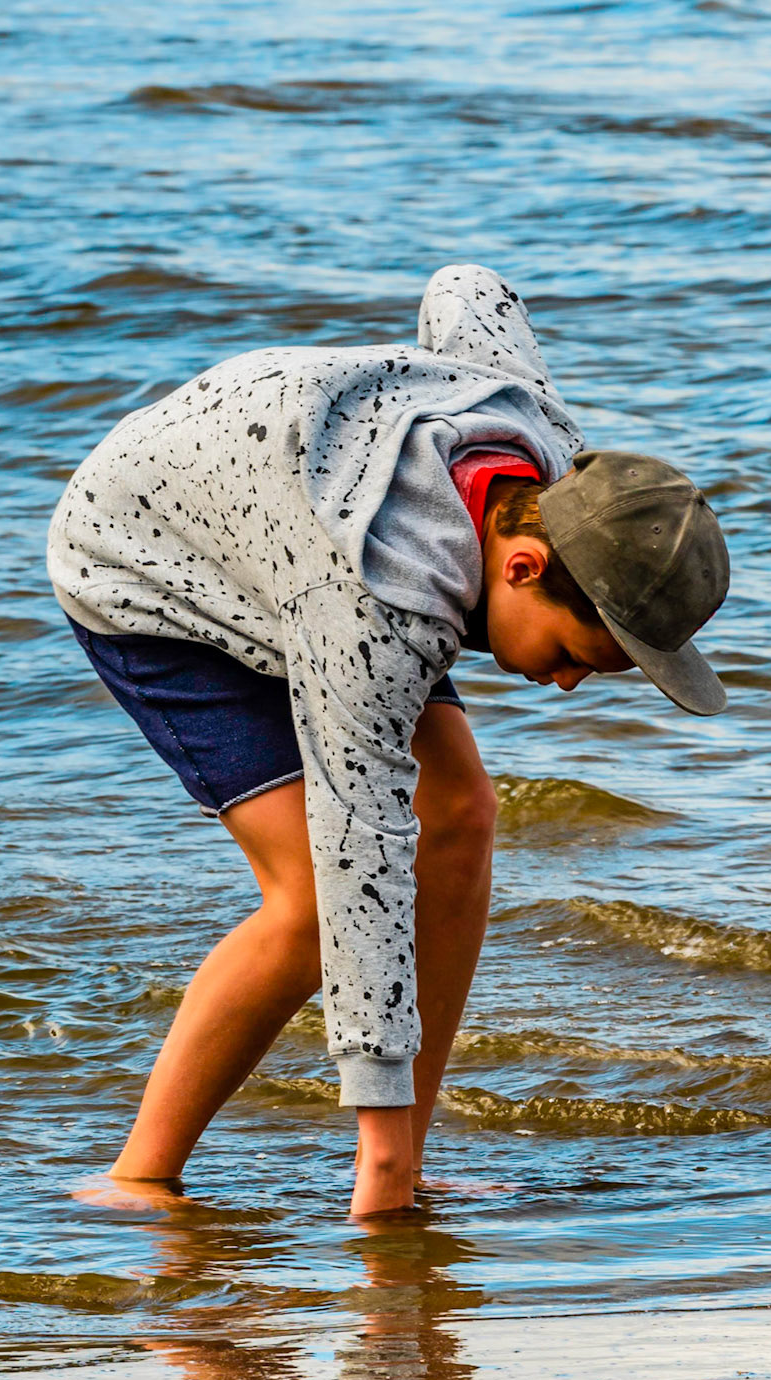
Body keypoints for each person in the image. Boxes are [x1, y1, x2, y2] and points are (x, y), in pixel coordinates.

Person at [47, 263, 729, 1216]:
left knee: (464, 814)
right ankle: (141, 1177)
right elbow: (360, 858)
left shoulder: (549, 454)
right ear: (524, 561)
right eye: (579, 655)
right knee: (316, 902)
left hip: (308, 527)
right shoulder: (381, 608)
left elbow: (468, 290)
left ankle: (408, 1149)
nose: (569, 685)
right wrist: (379, 1177)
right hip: (151, 560)